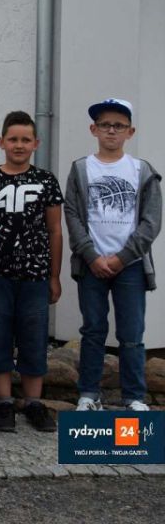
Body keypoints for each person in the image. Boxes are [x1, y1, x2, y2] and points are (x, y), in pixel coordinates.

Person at [65, 98, 162, 412]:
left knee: (132, 334)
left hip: (130, 266)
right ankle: (88, 394)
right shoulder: (81, 168)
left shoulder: (142, 171)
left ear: (130, 132)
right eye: (105, 124)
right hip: (91, 264)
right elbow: (72, 215)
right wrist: (91, 256)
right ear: (93, 129)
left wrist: (123, 257)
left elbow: (151, 221)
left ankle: (134, 397)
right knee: (93, 330)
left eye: (118, 126)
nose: (111, 131)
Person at [0, 111, 64, 432]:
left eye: (25, 140)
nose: (19, 145)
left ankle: (33, 403)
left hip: (35, 276)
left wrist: (54, 275)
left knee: (34, 337)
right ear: (1, 142)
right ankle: (4, 402)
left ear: (35, 144)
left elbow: (54, 230)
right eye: (13, 139)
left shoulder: (46, 180)